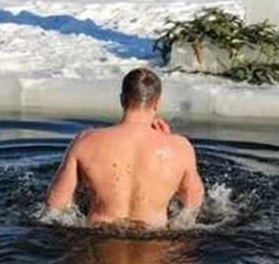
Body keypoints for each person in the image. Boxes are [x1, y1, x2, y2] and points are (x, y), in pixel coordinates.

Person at [45, 68, 205, 227]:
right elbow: (191, 206)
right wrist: (168, 140)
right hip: (156, 242)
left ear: (122, 100)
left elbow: (55, 205)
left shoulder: (85, 141)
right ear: (157, 103)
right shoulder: (180, 148)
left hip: (97, 241)